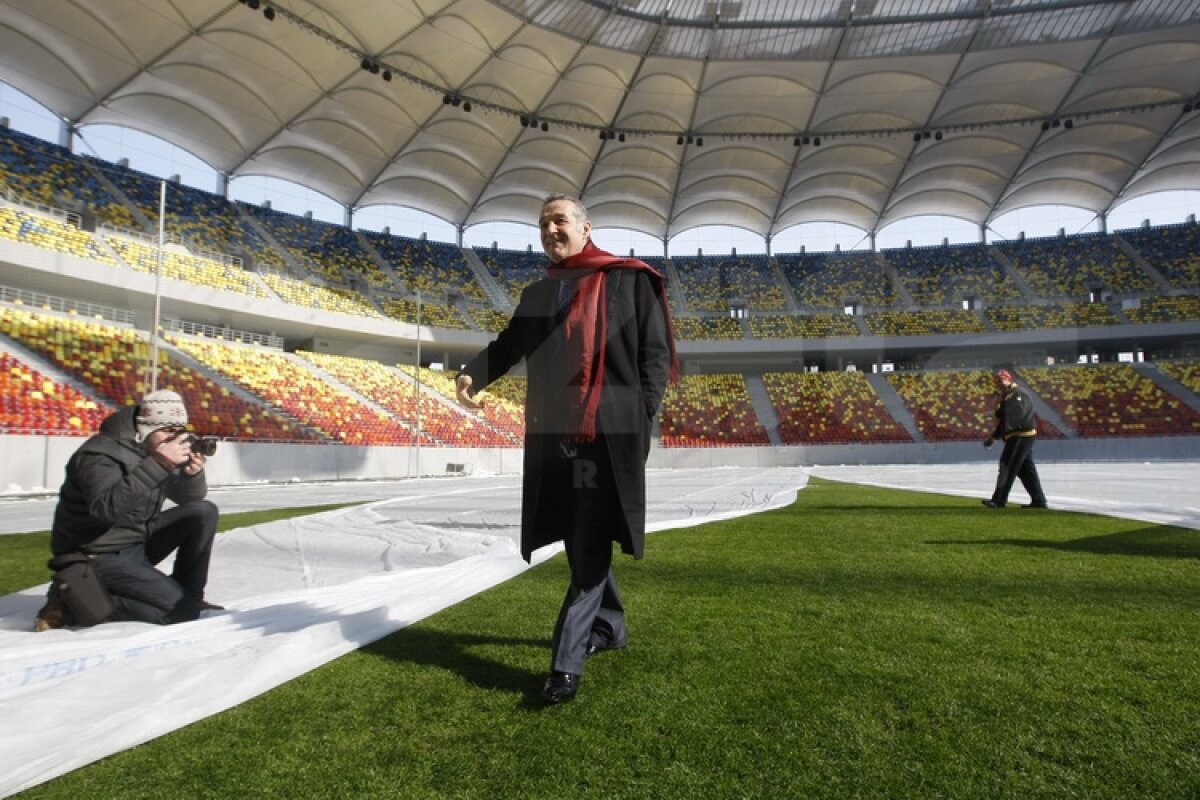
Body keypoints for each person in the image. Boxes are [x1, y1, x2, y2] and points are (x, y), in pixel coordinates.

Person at [455, 194, 675, 704]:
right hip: (557, 441)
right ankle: (611, 626)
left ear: (584, 226)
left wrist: (641, 416)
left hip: (609, 436)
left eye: (559, 221)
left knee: (590, 536)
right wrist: (473, 376)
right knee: (580, 538)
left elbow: (655, 355)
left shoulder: (630, 279)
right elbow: (510, 346)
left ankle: (565, 664)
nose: (550, 230)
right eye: (542, 224)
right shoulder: (539, 294)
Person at [35, 389, 222, 630]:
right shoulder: (99, 454)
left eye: (179, 431)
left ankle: (191, 595)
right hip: (94, 552)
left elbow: (189, 499)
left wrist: (191, 475)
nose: (175, 439)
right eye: (168, 431)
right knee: (182, 612)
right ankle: (73, 605)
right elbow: (105, 510)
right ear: (145, 428)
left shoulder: (150, 449)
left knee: (203, 512)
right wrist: (159, 464)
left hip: (133, 541)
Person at [982, 368, 1048, 509]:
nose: (998, 384)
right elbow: (1005, 420)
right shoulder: (1007, 395)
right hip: (1019, 435)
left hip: (1021, 435)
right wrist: (993, 437)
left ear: (1008, 379)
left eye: (1000, 380)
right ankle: (1039, 500)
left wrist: (998, 411)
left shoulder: (1017, 394)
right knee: (1025, 470)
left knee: (1007, 465)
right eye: (996, 382)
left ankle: (999, 500)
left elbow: (1016, 415)